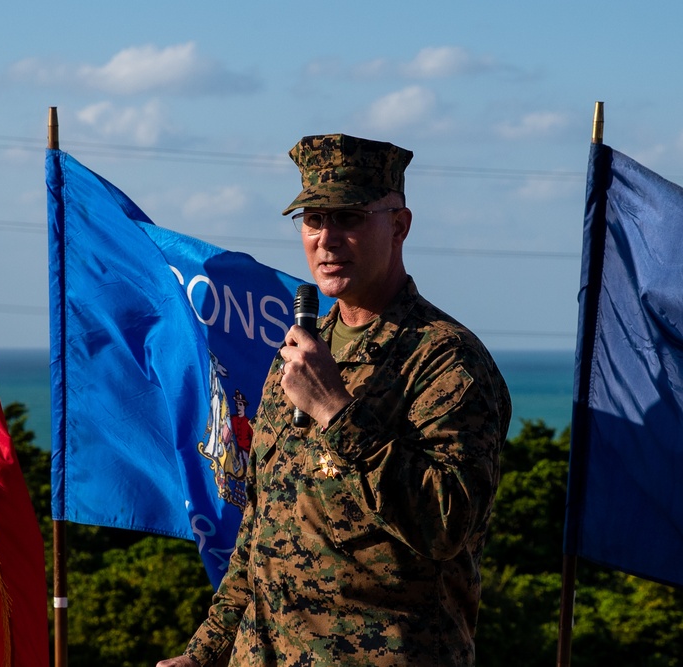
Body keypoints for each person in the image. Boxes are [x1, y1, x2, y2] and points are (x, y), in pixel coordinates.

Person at [157, 134, 512, 666]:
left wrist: (336, 412)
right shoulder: (297, 354)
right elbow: (260, 531)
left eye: (348, 217)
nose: (327, 239)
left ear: (398, 225)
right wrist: (203, 653)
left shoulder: (444, 359)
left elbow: (446, 523)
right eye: (313, 219)